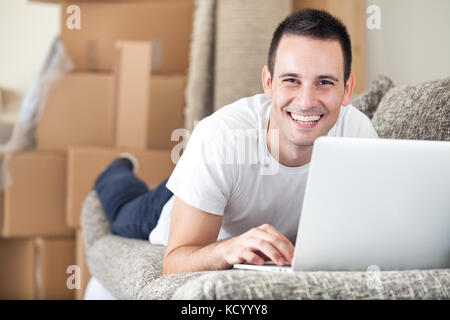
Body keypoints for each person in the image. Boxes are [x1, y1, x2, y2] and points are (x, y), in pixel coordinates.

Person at [93, 9, 379, 278]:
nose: (306, 102)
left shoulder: (358, 134)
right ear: (268, 83)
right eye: (291, 80)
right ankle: (116, 169)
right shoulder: (220, 137)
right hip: (179, 205)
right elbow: (174, 261)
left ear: (347, 90)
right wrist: (228, 247)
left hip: (219, 183)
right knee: (122, 211)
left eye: (325, 82)